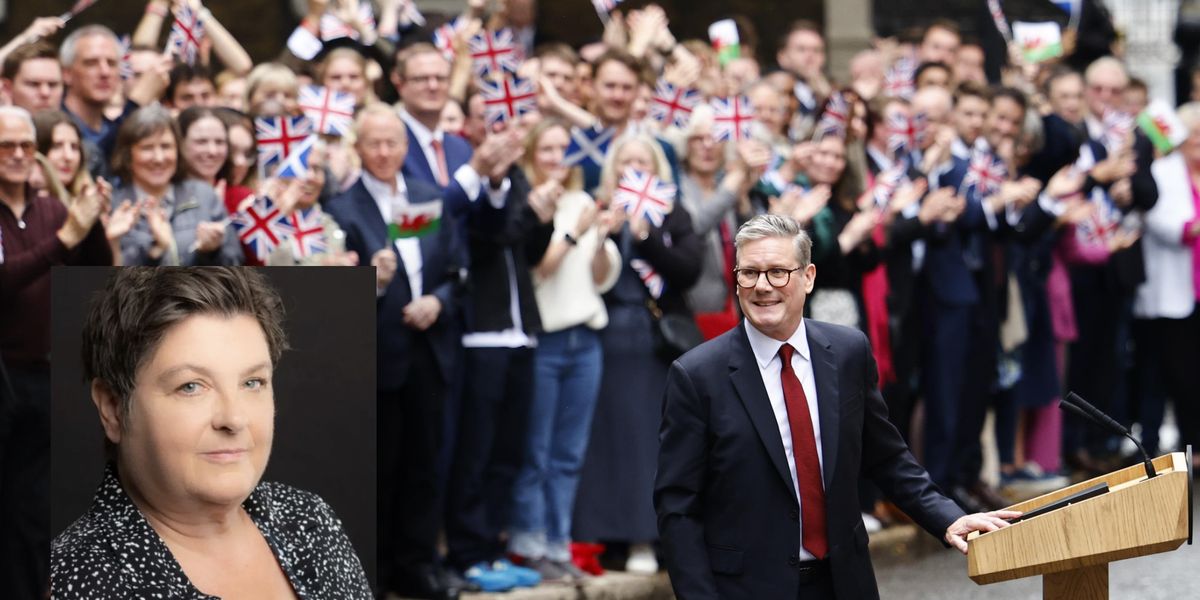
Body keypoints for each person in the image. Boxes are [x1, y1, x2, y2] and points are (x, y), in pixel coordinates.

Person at [655, 213, 1019, 600]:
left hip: (844, 582)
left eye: (778, 272)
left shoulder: (847, 352)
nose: (762, 286)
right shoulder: (697, 375)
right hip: (745, 588)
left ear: (808, 277)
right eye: (750, 273)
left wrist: (949, 518)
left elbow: (888, 459)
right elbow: (677, 507)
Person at [50, 267, 371, 597]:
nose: (233, 418)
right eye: (190, 386)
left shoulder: (309, 519)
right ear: (113, 408)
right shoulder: (77, 581)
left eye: (252, 382)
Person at [324, 103, 466, 600]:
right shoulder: (341, 208)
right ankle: (375, 572)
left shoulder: (429, 198)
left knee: (425, 465)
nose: (384, 152)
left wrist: (437, 302)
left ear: (406, 147)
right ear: (358, 149)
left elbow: (455, 270)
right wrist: (375, 285)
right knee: (380, 469)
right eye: (374, 143)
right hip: (378, 356)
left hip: (430, 350)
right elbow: (330, 295)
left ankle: (418, 565)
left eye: (392, 143)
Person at [573, 133, 702, 574]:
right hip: (609, 335)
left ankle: (651, 536)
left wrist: (646, 237)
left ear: (657, 169)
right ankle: (612, 535)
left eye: (642, 162)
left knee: (652, 443)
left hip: (657, 339)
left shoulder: (672, 212)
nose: (633, 169)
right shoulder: (595, 209)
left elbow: (688, 271)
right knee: (612, 443)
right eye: (624, 162)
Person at [0, 105, 112, 599]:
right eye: (7, 146)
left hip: (47, 380)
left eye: (27, 145)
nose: (20, 155)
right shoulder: (50, 224)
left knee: (35, 507)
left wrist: (90, 224)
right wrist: (64, 240)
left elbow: (94, 271)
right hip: (3, 374)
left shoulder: (51, 210)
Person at [506, 119, 621, 581]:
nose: (556, 157)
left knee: (569, 453)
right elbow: (539, 272)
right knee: (536, 450)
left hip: (586, 339)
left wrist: (601, 237)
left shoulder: (581, 202)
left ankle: (558, 541)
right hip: (545, 341)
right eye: (547, 149)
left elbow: (600, 278)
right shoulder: (529, 205)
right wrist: (574, 233)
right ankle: (528, 541)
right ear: (532, 155)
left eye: (562, 148)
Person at [110, 104, 242, 266]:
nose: (158, 158)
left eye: (166, 146)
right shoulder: (114, 205)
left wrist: (212, 252)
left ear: (178, 150)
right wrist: (155, 252)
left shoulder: (204, 195)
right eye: (147, 148)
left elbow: (235, 263)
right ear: (127, 155)